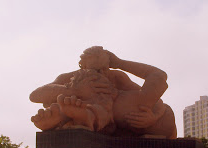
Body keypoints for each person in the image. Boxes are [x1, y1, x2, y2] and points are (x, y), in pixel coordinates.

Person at [30, 46, 177, 139]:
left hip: (117, 122)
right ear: (83, 67)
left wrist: (153, 117)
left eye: (104, 69)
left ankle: (74, 117)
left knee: (93, 112)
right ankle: (62, 116)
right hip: (89, 112)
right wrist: (73, 90)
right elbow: (35, 96)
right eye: (94, 71)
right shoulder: (68, 78)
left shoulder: (115, 77)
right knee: (69, 104)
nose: (101, 75)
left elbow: (151, 99)